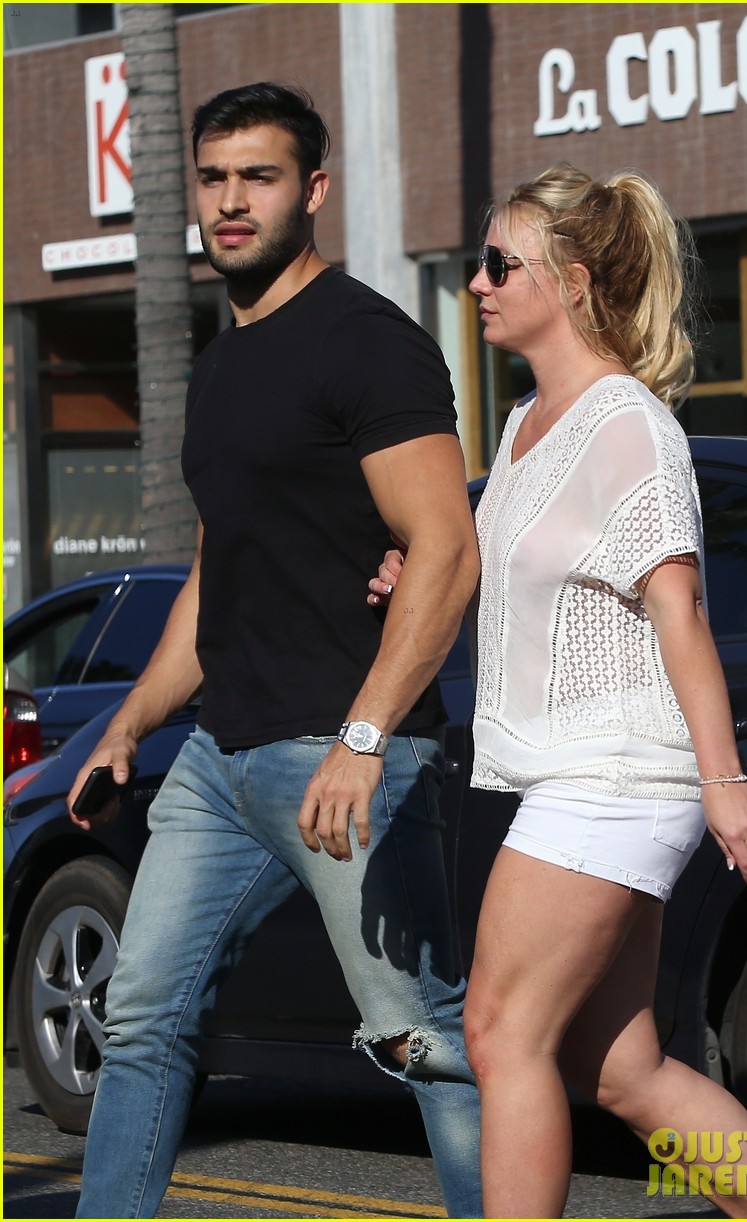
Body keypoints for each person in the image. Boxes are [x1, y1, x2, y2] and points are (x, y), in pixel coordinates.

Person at [69, 82, 482, 1219]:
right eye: (213, 178)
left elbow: (445, 547)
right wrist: (128, 722)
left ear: (314, 190)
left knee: (420, 1041)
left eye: (259, 176)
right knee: (141, 1016)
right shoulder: (220, 367)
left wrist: (364, 736)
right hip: (220, 760)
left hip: (347, 752)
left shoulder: (368, 342)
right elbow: (217, 577)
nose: (231, 200)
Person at [368, 163, 747, 1220]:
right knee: (621, 1070)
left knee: (500, 1033)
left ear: (568, 282)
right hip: (572, 773)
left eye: (497, 264)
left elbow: (679, 609)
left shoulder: (627, 426)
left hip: (613, 775)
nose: (476, 283)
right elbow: (516, 576)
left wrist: (723, 779)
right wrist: (416, 571)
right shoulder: (529, 423)